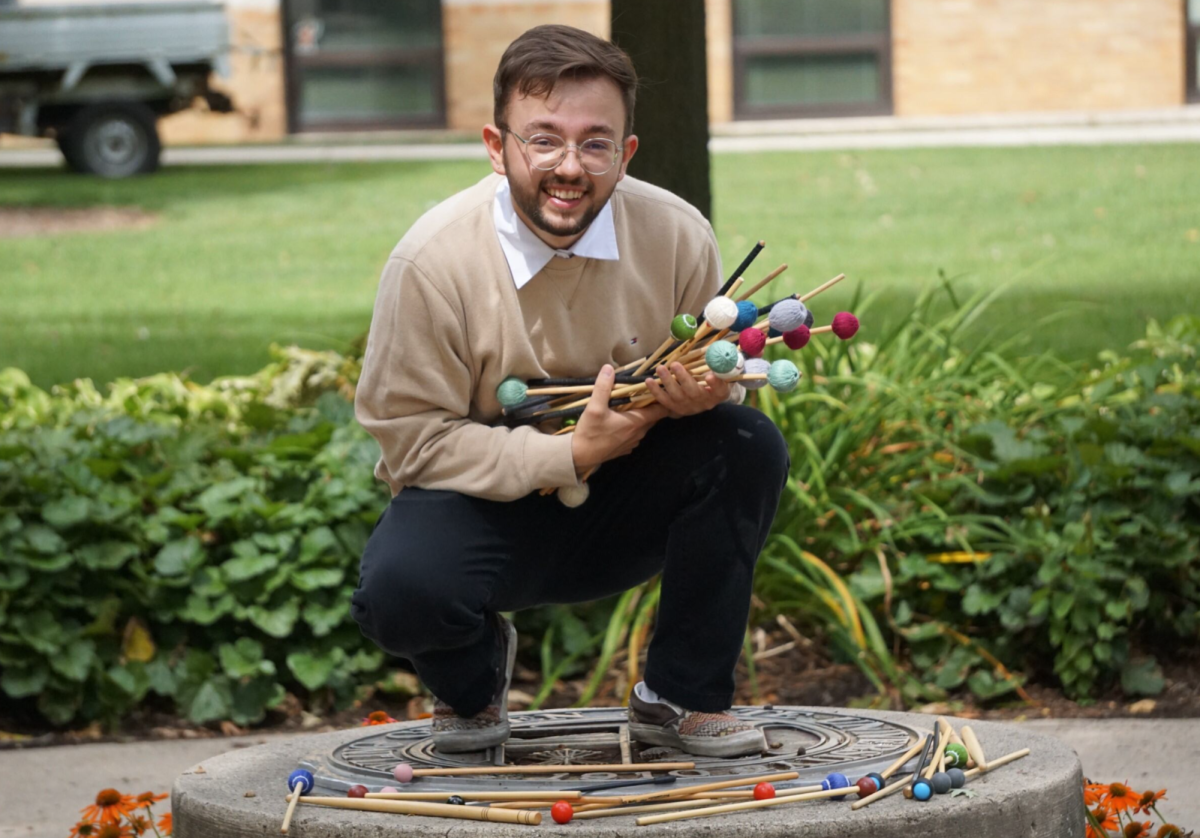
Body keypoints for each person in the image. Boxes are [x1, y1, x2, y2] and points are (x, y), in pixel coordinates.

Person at [351, 24, 788, 759]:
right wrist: (567, 455)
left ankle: (682, 696)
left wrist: (698, 398)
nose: (569, 166)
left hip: (621, 505)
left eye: (595, 142)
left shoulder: (678, 235)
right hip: (480, 504)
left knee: (745, 446)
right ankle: (472, 684)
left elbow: (720, 392)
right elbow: (411, 440)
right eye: (543, 140)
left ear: (626, 154)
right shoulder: (432, 260)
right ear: (498, 147)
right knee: (399, 592)